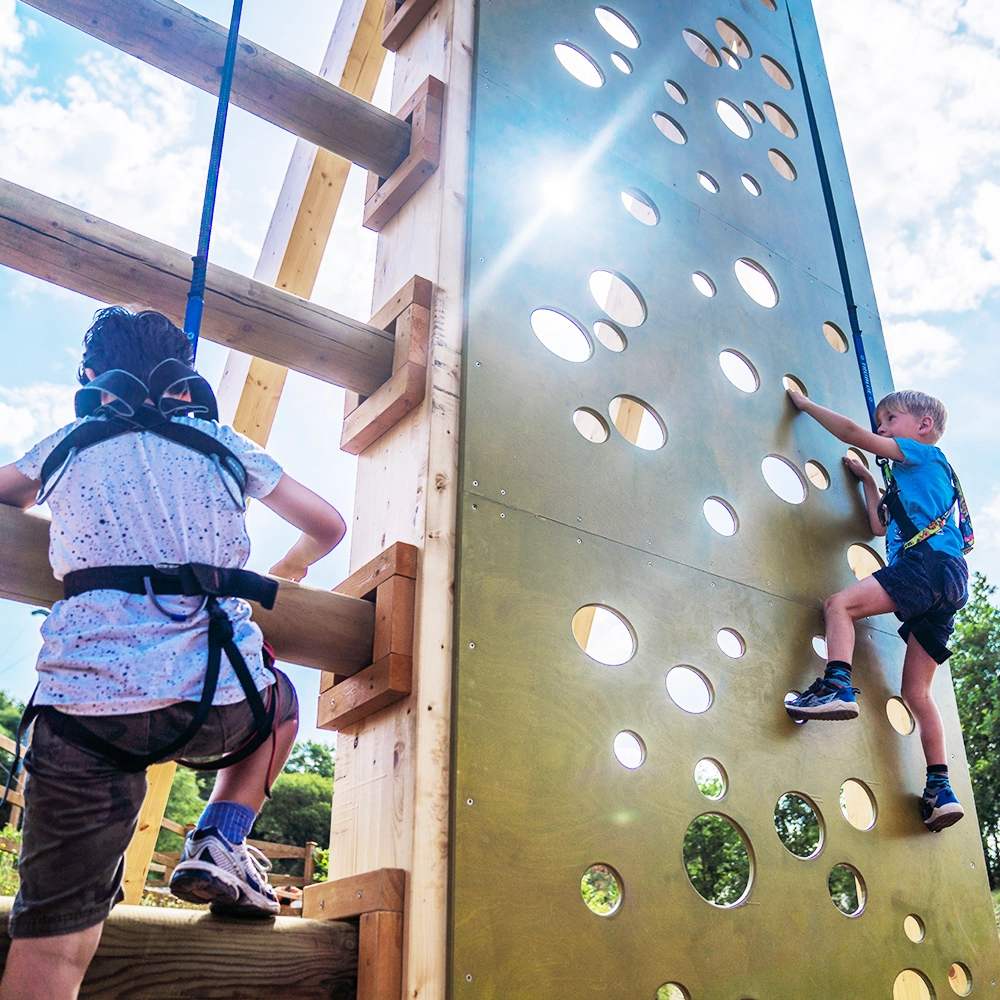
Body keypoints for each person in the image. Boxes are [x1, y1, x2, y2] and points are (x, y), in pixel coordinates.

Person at [0, 307, 346, 1000]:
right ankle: (222, 834)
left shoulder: (69, 442)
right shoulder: (220, 443)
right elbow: (328, 523)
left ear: (95, 382)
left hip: (80, 712)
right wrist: (294, 565)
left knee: (54, 946)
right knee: (279, 702)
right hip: (215, 698)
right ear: (186, 382)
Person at [783, 388, 971, 833]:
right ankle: (940, 789)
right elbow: (877, 526)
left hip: (925, 567)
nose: (880, 429)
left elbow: (850, 432)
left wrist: (807, 405)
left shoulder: (921, 455)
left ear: (922, 427)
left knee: (839, 606)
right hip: (950, 583)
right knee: (917, 695)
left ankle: (837, 685)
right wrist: (869, 482)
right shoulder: (919, 483)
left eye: (889, 421)